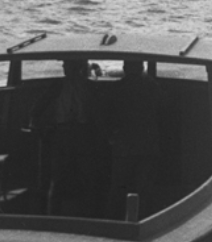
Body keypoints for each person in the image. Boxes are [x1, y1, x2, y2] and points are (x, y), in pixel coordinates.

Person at [35, 59, 99, 216]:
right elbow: (38, 108)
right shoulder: (63, 86)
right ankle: (57, 216)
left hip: (76, 134)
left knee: (79, 177)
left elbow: (38, 108)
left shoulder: (84, 86)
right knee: (67, 178)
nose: (63, 67)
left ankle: (84, 215)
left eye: (67, 64)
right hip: (71, 134)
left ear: (76, 67)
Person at [107, 59, 162, 218]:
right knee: (144, 189)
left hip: (123, 146)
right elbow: (164, 104)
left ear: (125, 69)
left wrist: (111, 136)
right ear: (141, 68)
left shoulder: (116, 88)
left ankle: (113, 220)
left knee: (118, 187)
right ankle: (143, 219)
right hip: (147, 145)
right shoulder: (151, 87)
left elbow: (106, 114)